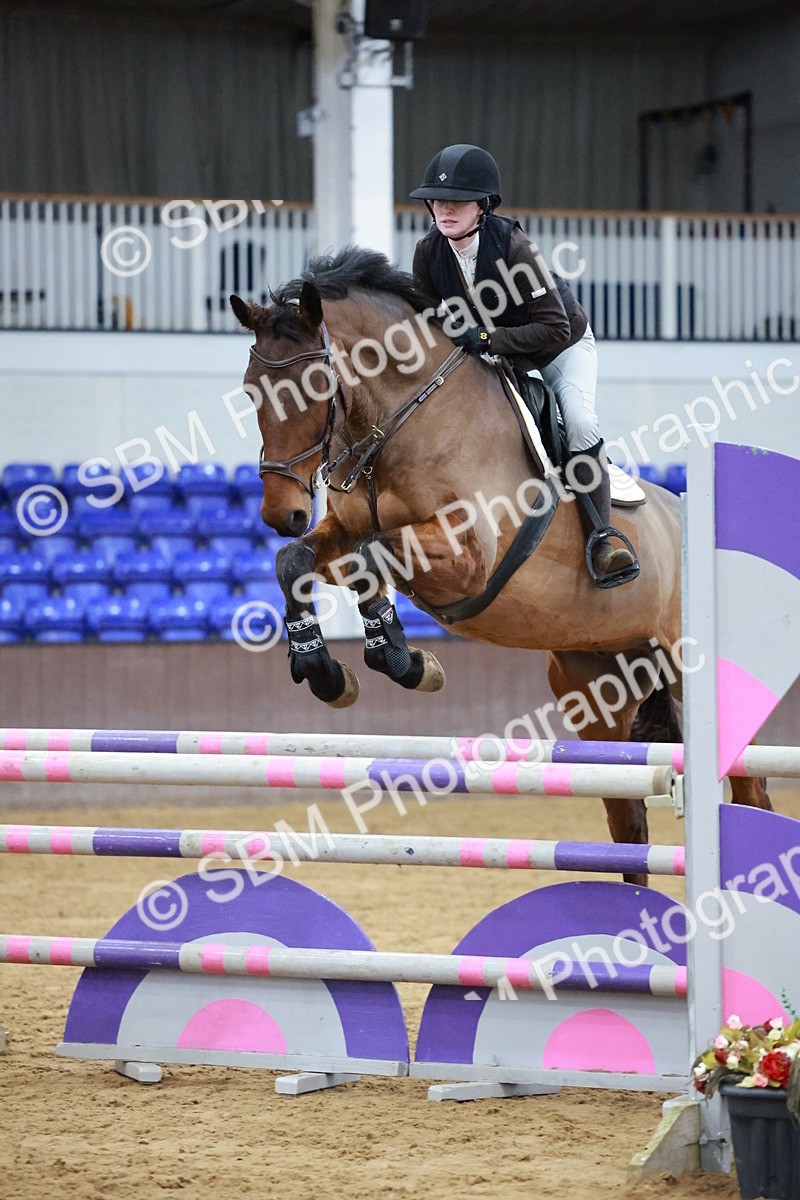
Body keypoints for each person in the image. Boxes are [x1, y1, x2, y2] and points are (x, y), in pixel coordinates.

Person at [410, 143, 637, 587]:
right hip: (498, 359)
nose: (444, 208)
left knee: (580, 421)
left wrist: (487, 339)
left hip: (559, 350)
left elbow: (552, 327)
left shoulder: (515, 247)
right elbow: (427, 322)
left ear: (484, 206)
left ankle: (604, 537)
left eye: (457, 200)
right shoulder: (428, 252)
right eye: (438, 200)